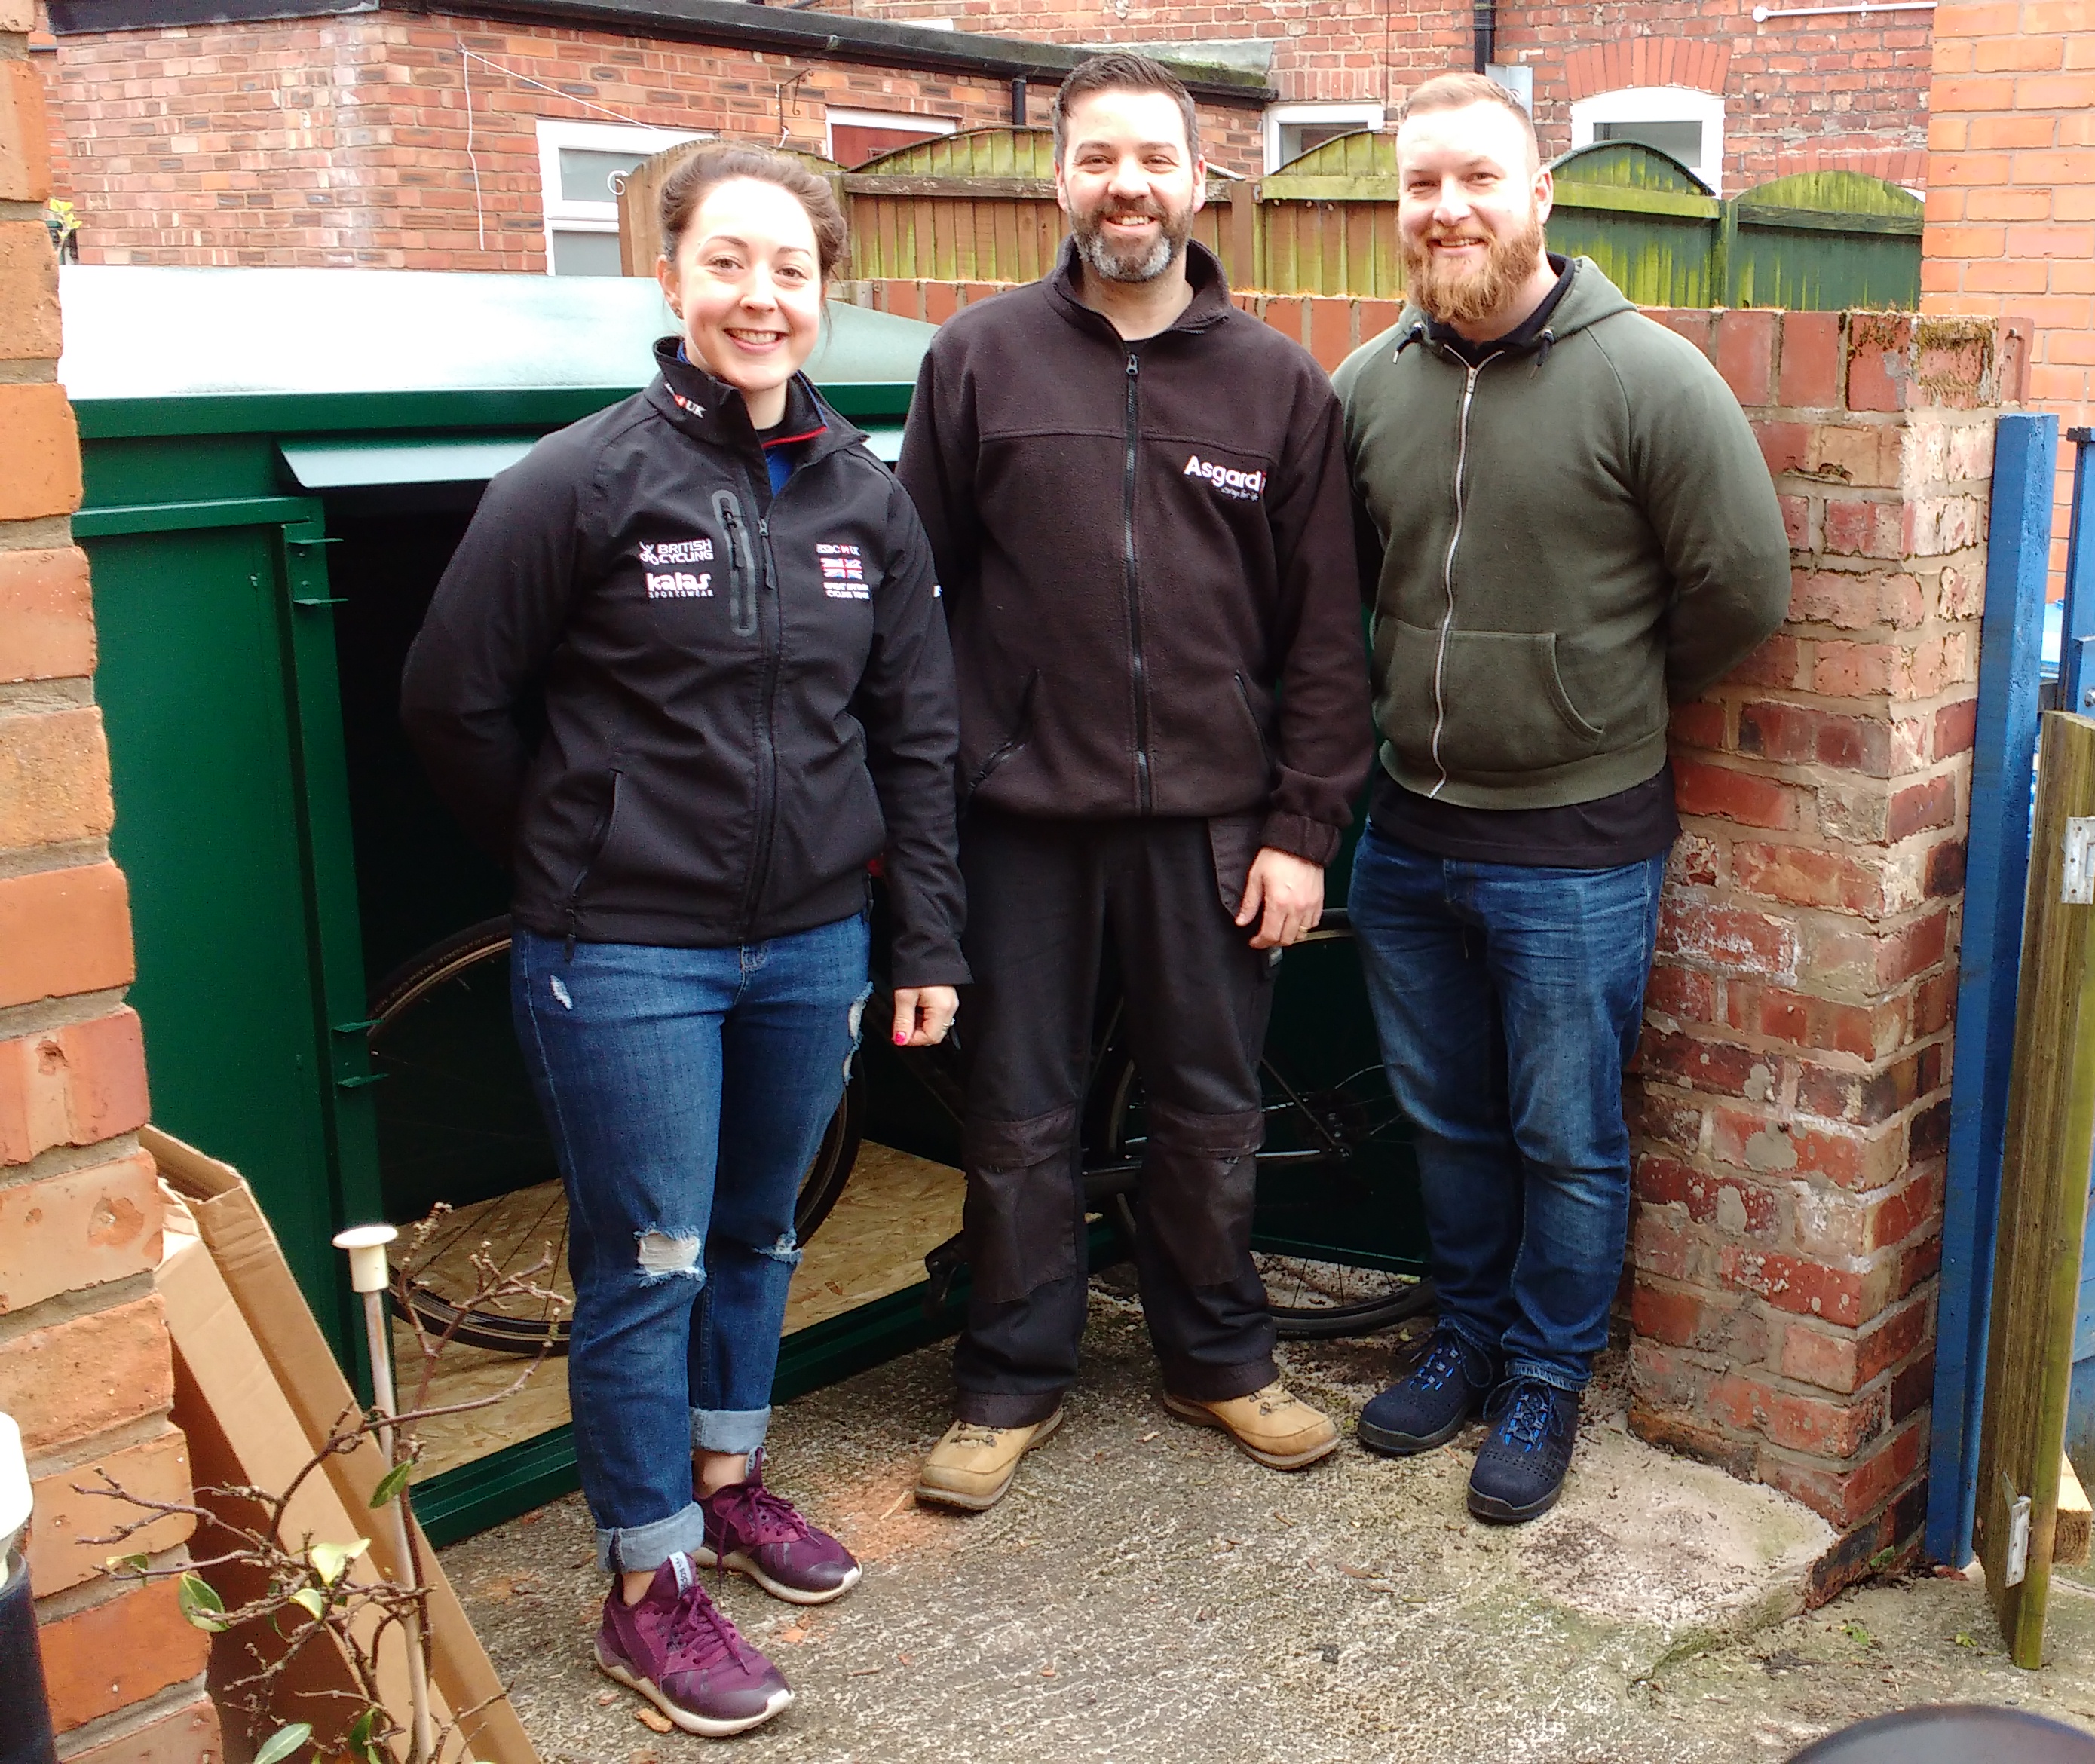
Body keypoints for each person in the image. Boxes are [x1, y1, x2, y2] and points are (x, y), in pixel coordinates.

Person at [401, 144, 966, 1738]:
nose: (759, 295)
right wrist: (577, 853)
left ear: (826, 289)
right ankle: (644, 1586)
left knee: (764, 1232)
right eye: (727, 262)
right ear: (670, 279)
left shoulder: (870, 499)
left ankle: (730, 1483)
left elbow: (917, 735)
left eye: (788, 266)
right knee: (644, 1261)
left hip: (811, 948)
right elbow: (453, 702)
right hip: (625, 954)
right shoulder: (577, 483)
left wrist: (920, 938)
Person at [895, 52, 1372, 1508]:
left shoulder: (1277, 382)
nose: (1129, 186)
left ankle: (1218, 1360)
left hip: (1215, 829)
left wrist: (1299, 830)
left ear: (1200, 179)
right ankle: (1010, 1378)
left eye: (1155, 159)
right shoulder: (977, 360)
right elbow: (915, 612)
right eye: (1099, 158)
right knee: (1021, 1116)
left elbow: (1325, 636)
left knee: (1211, 1110)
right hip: (1022, 823)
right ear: (1060, 180)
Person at [1331, 74, 1791, 1523]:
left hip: (1576, 844)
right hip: (1407, 831)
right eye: (1420, 187)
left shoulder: (1648, 377)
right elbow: (1333, 590)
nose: (1446, 210)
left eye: (1478, 179)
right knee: (1447, 1121)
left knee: (1564, 1131)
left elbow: (1742, 589)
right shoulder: (1367, 386)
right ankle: (1465, 1334)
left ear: (1542, 198)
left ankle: (1545, 1372)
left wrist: (1599, 699)